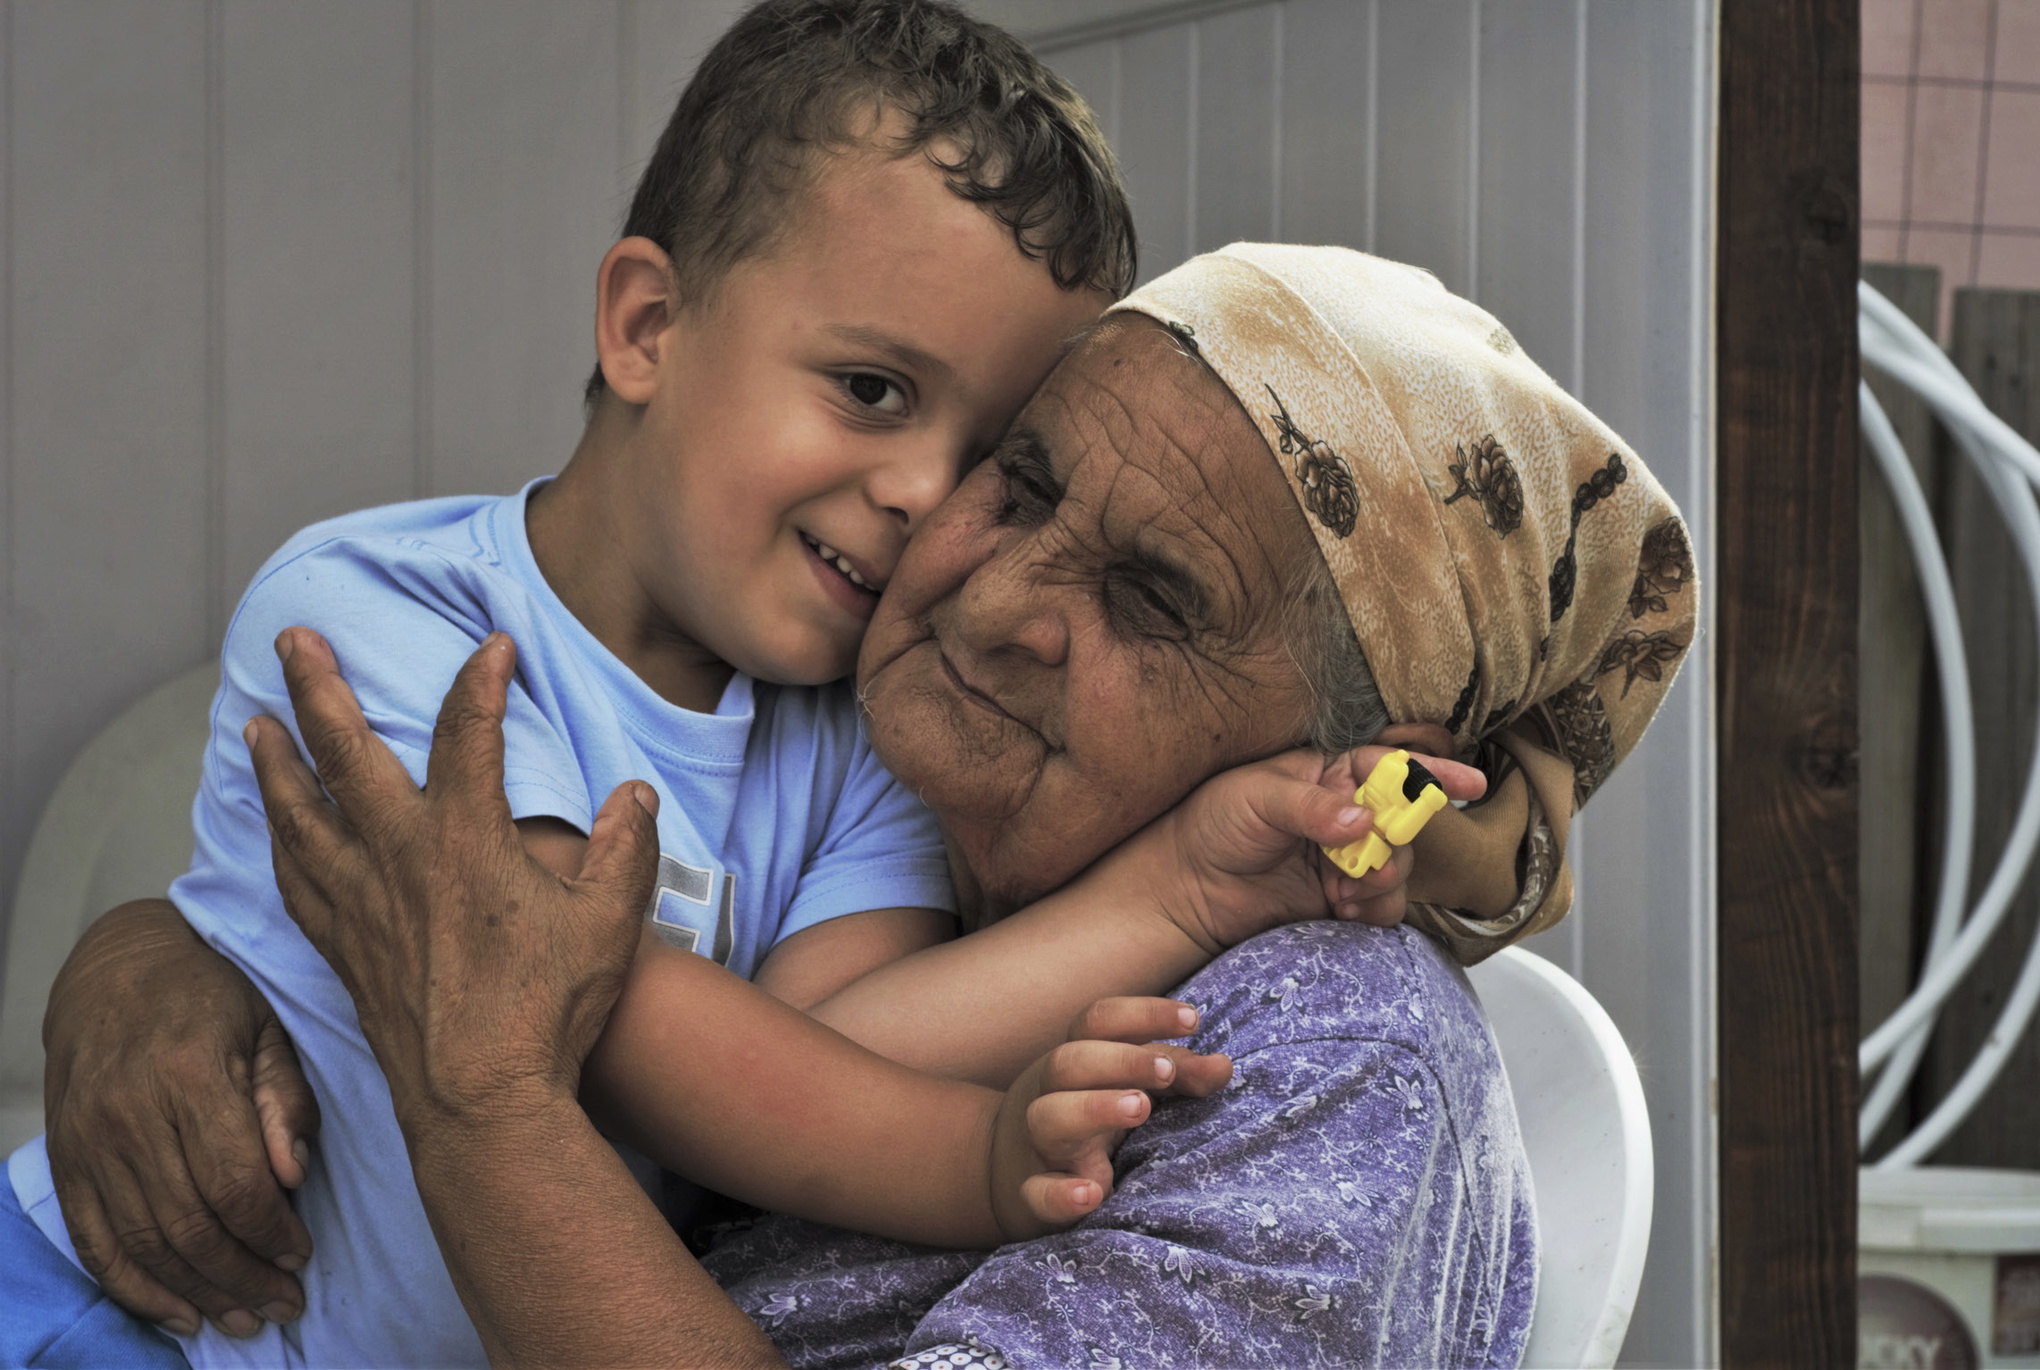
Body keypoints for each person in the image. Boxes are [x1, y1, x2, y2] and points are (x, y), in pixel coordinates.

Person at [27, 243, 1695, 1369]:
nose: (996, 598)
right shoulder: (865, 780)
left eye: (1155, 598)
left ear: (1361, 756)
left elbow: (534, 1016)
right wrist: (158, 962)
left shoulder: (1325, 1065)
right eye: (1021, 483)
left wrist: (487, 1098)